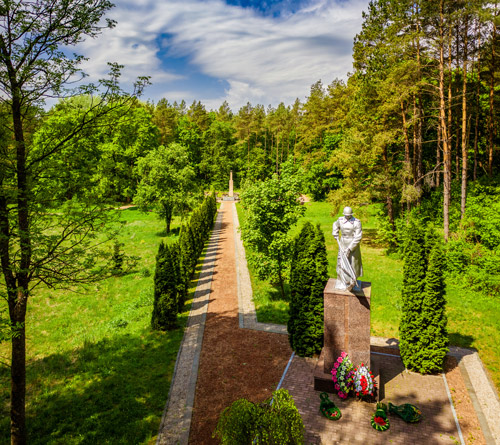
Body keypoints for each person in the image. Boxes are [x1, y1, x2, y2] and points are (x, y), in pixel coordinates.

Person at [332, 206, 363, 291]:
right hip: (343, 243)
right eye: (346, 215)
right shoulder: (340, 220)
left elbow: (358, 237)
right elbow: (335, 224)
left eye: (349, 215)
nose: (347, 217)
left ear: (351, 214)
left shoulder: (356, 222)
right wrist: (335, 232)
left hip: (353, 244)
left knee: (353, 263)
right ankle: (342, 281)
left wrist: (349, 249)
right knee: (341, 262)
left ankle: (353, 281)